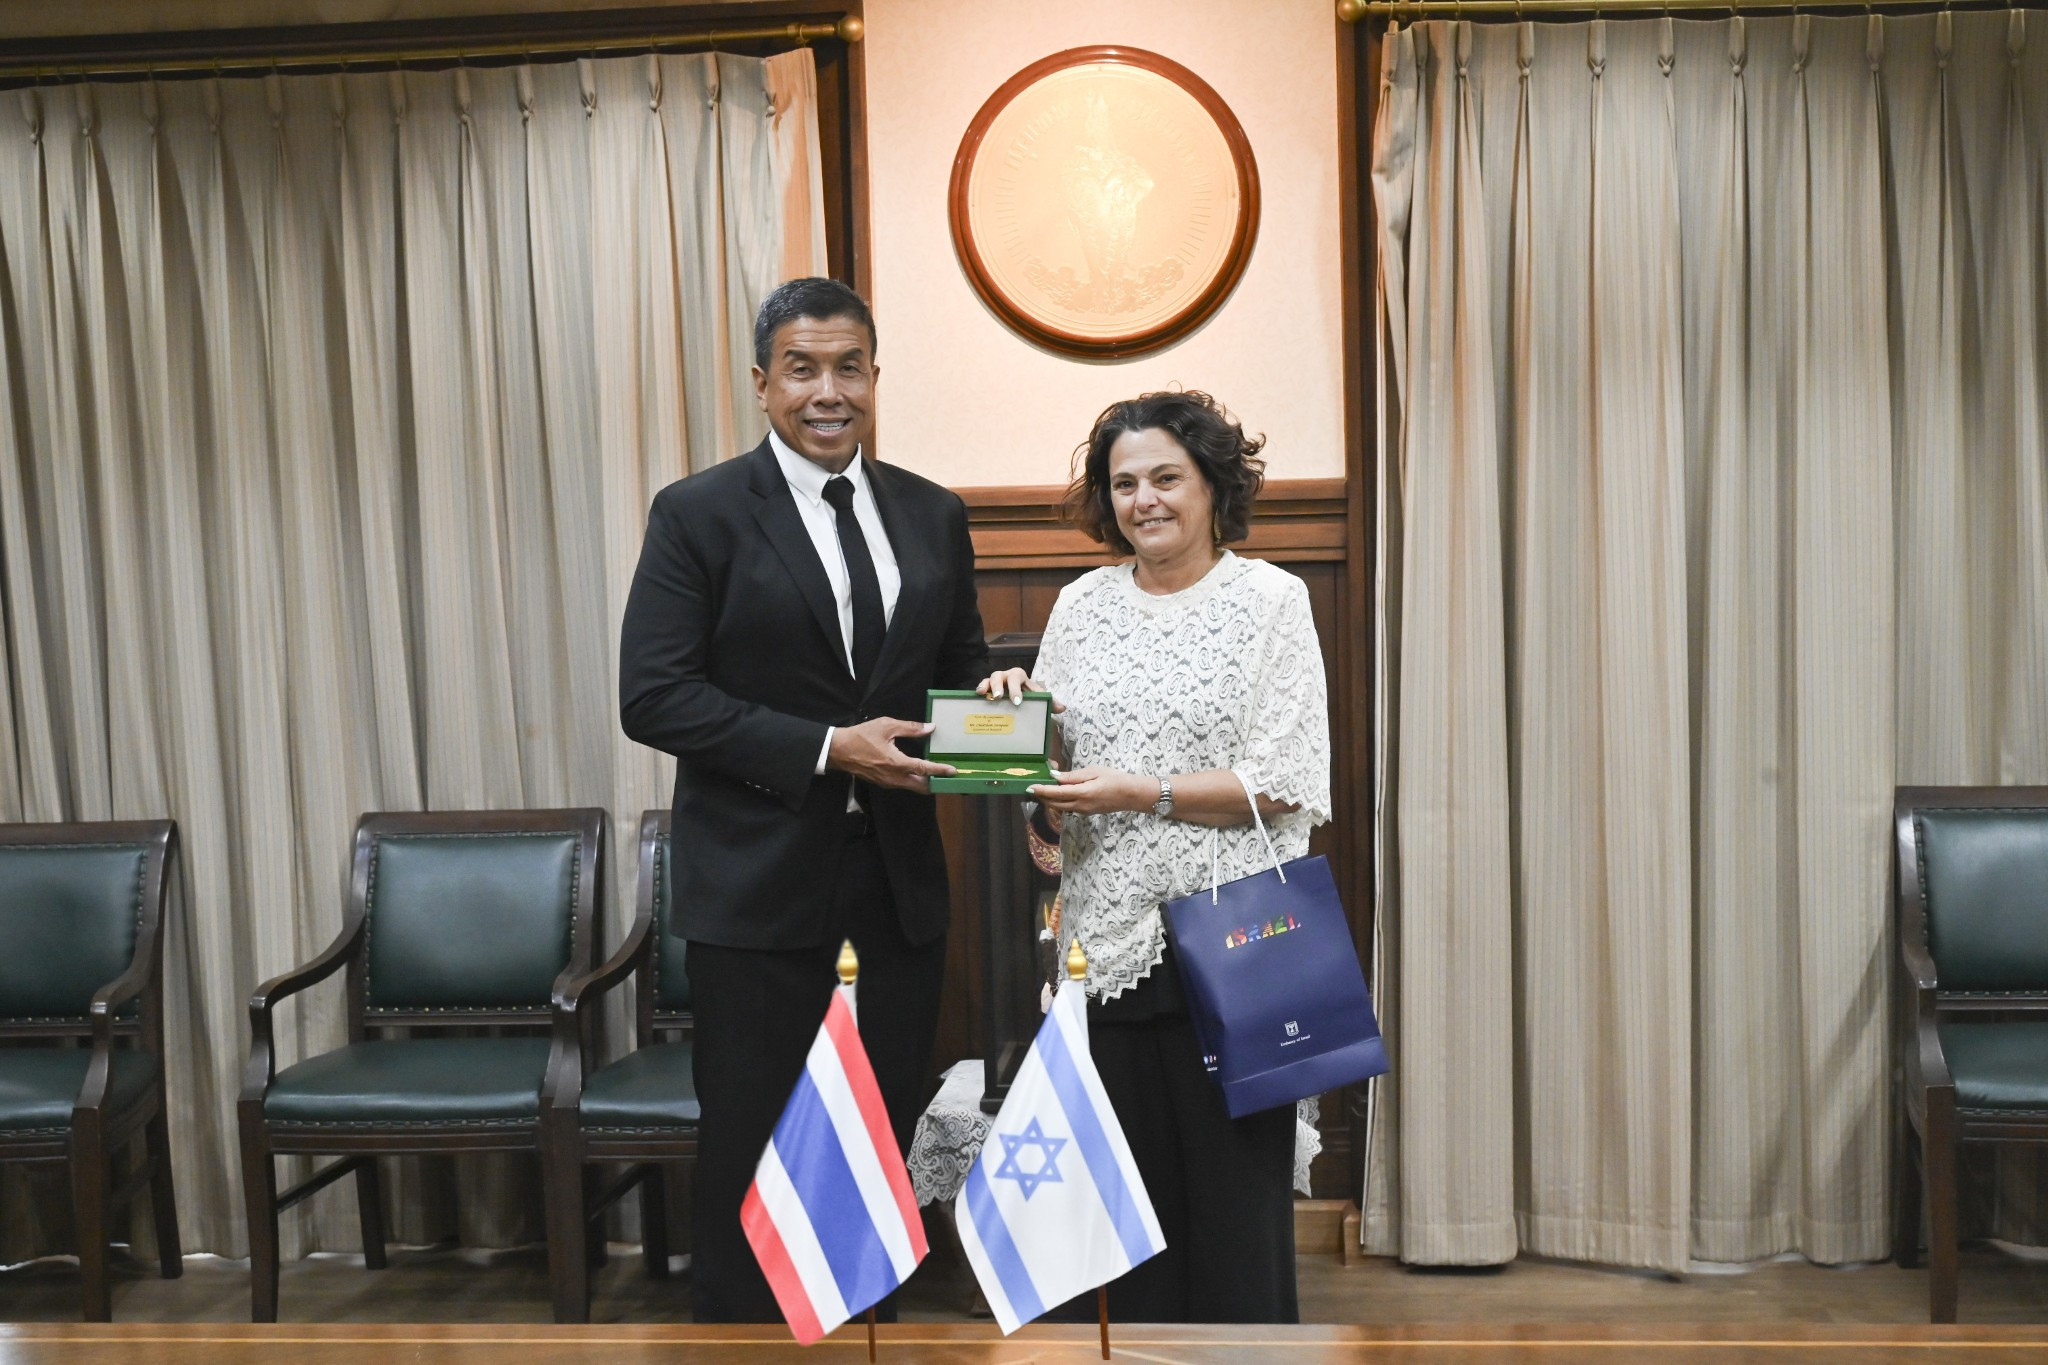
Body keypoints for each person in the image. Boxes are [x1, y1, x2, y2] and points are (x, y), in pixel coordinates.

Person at [620, 277, 988, 1322]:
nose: (829, 391)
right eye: (802, 369)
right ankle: (746, 1339)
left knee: (877, 1140)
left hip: (897, 893)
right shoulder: (697, 513)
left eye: (849, 368)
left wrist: (1000, 709)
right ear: (761, 383)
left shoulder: (931, 512)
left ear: (874, 377)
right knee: (756, 1145)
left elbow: (957, 674)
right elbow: (654, 696)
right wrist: (829, 750)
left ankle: (868, 1329)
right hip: (756, 892)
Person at [979, 389, 1330, 1323]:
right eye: (1125, 482)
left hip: (1240, 951)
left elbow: (1287, 779)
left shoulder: (1273, 602)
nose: (1145, 500)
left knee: (1237, 1224)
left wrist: (1143, 790)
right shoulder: (1080, 606)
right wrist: (1017, 724)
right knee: (1123, 1230)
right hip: (1104, 951)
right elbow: (1051, 785)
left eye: (1167, 477)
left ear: (1212, 483)